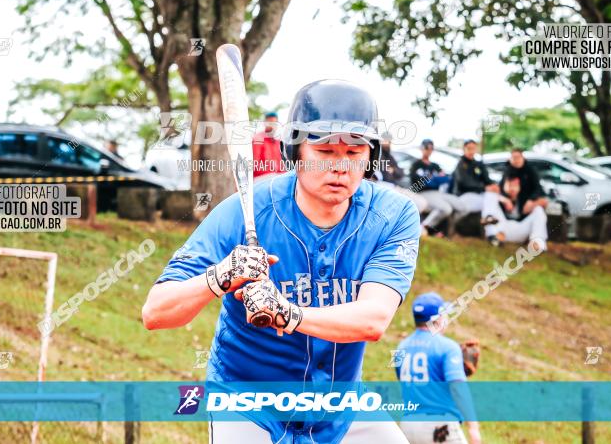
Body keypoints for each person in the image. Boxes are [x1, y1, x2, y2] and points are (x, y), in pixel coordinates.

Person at [143, 80, 421, 443]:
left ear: (370, 158)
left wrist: (288, 314)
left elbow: (373, 319)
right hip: (248, 403)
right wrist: (220, 276)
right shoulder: (246, 212)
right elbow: (156, 312)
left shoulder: (392, 215)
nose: (340, 167)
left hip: (341, 407)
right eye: (324, 150)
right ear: (295, 151)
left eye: (354, 153)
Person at [394, 293, 481, 444]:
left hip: (408, 427)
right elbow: (458, 387)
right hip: (439, 427)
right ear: (437, 319)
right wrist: (473, 427)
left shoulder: (401, 348)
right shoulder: (447, 347)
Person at [481, 149, 548, 249]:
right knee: (489, 196)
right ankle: (492, 235)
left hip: (521, 229)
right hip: (502, 229)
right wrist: (504, 200)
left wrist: (532, 203)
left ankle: (537, 243)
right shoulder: (504, 184)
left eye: (515, 185)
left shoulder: (529, 178)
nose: (512, 188)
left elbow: (544, 199)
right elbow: (493, 191)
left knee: (538, 210)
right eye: (509, 184)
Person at [446, 140, 499, 233]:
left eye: (473, 148)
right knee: (491, 203)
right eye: (469, 148)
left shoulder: (478, 164)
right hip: (463, 196)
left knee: (493, 197)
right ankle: (490, 226)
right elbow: (465, 183)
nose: (471, 151)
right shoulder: (460, 165)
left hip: (477, 196)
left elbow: (486, 180)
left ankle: (490, 226)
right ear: (464, 149)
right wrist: (484, 188)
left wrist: (493, 185)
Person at [409, 139, 454, 237]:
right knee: (445, 208)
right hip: (421, 194)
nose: (428, 150)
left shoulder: (435, 166)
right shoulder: (416, 165)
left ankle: (430, 229)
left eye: (431, 148)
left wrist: (431, 180)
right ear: (421, 148)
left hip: (436, 194)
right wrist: (434, 179)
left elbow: (446, 179)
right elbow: (417, 183)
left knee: (450, 206)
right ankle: (422, 228)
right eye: (426, 148)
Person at [252, 111, 286, 179]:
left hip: (274, 177)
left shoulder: (277, 142)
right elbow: (254, 165)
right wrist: (273, 170)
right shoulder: (258, 139)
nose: (273, 126)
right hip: (261, 178)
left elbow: (280, 165)